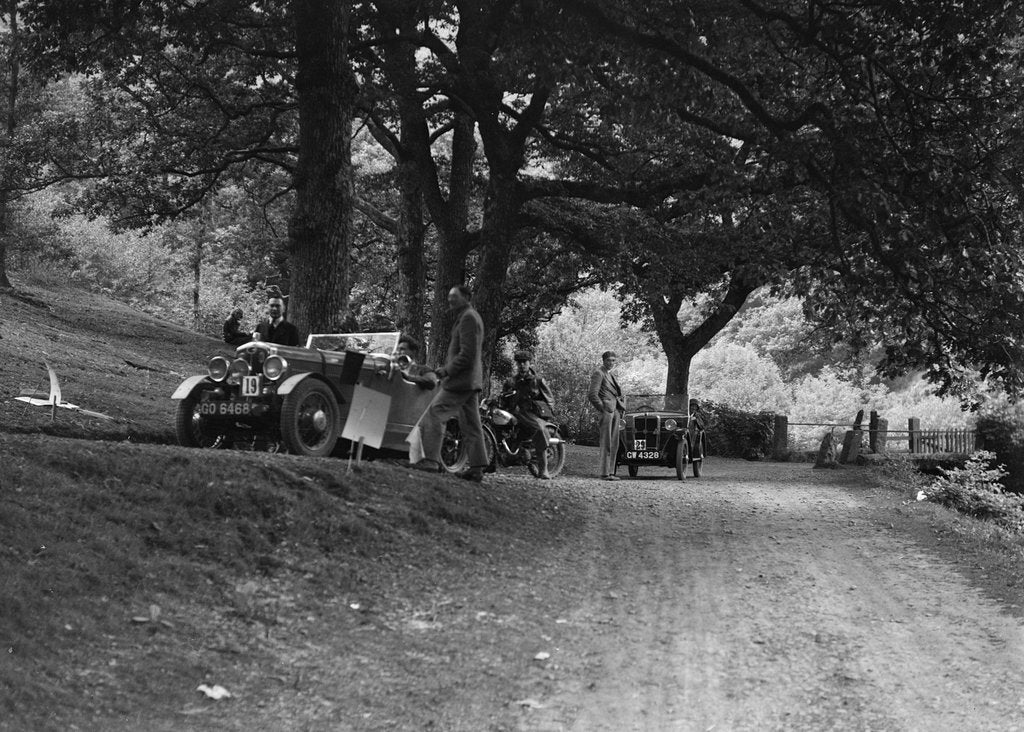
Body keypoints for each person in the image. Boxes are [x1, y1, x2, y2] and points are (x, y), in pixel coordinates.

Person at [412, 285, 489, 482]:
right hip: (469, 380)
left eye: (454, 297)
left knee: (436, 412)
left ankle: (430, 461)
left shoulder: (469, 318)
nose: (450, 300)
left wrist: (447, 370)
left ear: (466, 297)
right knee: (471, 423)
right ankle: (478, 467)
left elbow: (467, 354)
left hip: (461, 381)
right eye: (448, 297)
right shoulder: (468, 316)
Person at [501, 350, 555, 480]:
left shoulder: (538, 381)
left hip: (531, 414)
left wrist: (546, 415)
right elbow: (503, 398)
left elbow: (550, 400)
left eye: (524, 362)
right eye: (519, 363)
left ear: (529, 363)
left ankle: (543, 469)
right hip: (514, 413)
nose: (521, 365)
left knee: (540, 429)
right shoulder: (511, 381)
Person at [588, 350, 626, 481]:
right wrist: (602, 408)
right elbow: (592, 395)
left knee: (614, 442)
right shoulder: (599, 373)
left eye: (613, 360)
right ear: (603, 361)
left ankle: (610, 472)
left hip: (615, 411)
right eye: (609, 360)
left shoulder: (610, 374)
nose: (611, 363)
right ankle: (604, 473)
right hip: (607, 411)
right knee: (606, 442)